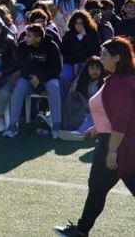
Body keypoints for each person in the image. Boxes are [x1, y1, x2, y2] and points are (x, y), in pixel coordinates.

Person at [54, 38, 135, 237]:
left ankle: (81, 231)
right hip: (115, 140)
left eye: (105, 54)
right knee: (98, 187)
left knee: (98, 187)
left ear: (117, 58)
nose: (100, 58)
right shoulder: (118, 80)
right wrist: (96, 127)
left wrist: (113, 151)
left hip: (118, 145)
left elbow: (122, 119)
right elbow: (114, 114)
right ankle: (81, 230)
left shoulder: (120, 84)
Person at [4, 23, 63, 139]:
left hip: (47, 79)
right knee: (19, 87)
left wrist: (40, 79)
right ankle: (12, 125)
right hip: (28, 79)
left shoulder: (51, 46)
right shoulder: (22, 46)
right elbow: (22, 66)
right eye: (26, 35)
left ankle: (56, 125)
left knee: (54, 86)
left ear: (38, 38)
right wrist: (32, 78)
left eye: (29, 36)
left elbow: (55, 69)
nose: (25, 37)